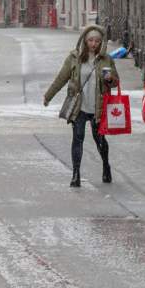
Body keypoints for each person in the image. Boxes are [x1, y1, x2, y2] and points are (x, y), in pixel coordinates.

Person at [43, 25, 119, 188]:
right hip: (79, 106)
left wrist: (110, 79)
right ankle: (76, 173)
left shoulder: (106, 59)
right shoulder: (74, 58)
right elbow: (61, 78)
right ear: (85, 40)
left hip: (98, 106)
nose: (93, 44)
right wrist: (48, 96)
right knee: (78, 139)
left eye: (97, 41)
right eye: (91, 40)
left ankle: (106, 166)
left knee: (99, 140)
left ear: (101, 42)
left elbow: (115, 82)